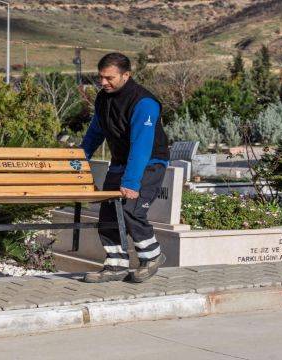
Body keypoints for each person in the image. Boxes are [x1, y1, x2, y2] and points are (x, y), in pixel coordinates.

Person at [81, 52, 169, 283]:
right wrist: (78, 159)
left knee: (131, 210)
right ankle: (116, 265)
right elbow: (94, 133)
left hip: (149, 163)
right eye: (101, 77)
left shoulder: (144, 102)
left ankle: (152, 257)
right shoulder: (103, 99)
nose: (103, 82)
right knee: (109, 214)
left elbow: (141, 145)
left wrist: (130, 182)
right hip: (120, 163)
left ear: (126, 75)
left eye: (109, 78)